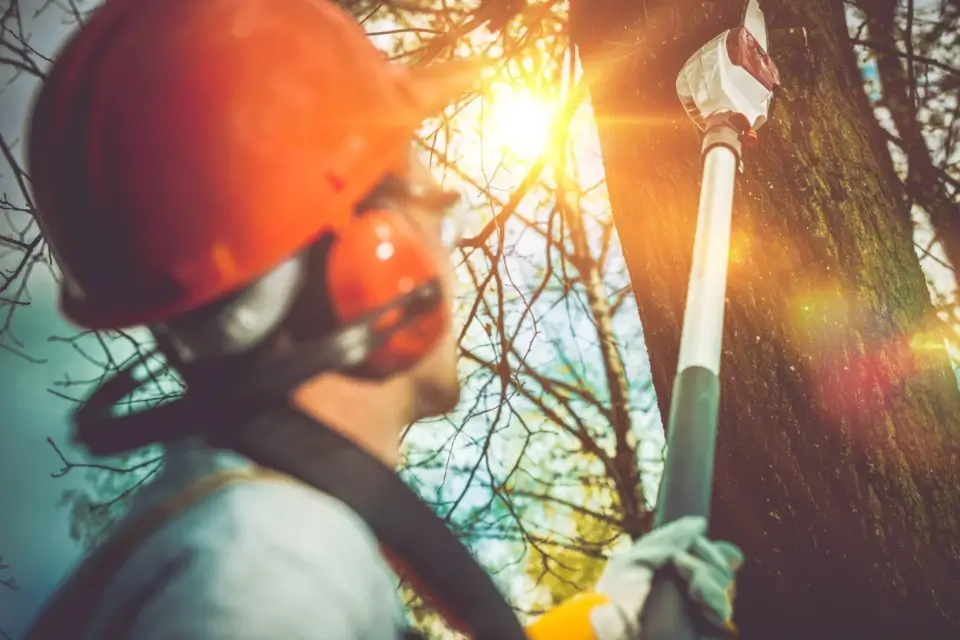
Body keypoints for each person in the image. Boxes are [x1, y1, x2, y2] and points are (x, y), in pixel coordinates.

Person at [22, 0, 743, 638]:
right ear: (379, 262)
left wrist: (601, 623)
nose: (449, 247)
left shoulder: (222, 537)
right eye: (436, 206)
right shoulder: (274, 571)